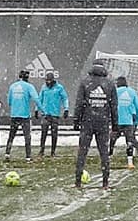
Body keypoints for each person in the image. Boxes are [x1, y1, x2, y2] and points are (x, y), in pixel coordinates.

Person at [73, 59, 117, 189]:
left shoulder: (85, 82)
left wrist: (76, 121)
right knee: (104, 153)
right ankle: (105, 182)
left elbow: (79, 103)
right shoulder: (109, 84)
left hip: (88, 122)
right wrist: (115, 125)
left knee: (82, 153)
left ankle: (78, 182)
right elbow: (114, 106)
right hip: (103, 123)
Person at [4, 69, 40, 162]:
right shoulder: (29, 86)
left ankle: (7, 153)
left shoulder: (13, 86)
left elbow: (9, 101)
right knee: (27, 136)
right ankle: (28, 156)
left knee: (11, 135)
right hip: (25, 115)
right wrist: (42, 110)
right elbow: (36, 98)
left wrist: (15, 107)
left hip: (14, 114)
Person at [37, 72, 69, 158]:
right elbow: (40, 99)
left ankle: (53, 151)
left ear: (53, 80)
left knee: (54, 134)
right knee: (43, 133)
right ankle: (41, 150)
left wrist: (66, 109)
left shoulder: (59, 88)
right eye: (46, 80)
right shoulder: (43, 87)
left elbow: (65, 98)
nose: (47, 82)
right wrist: (37, 109)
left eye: (49, 80)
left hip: (55, 114)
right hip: (45, 114)